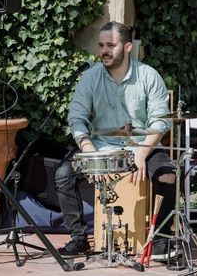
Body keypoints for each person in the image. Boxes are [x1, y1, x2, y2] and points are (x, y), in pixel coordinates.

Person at [54, 21, 177, 261]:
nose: (104, 51)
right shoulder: (90, 78)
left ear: (128, 47)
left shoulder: (149, 76)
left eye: (111, 45)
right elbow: (76, 118)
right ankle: (79, 239)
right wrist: (89, 152)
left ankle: (161, 240)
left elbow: (161, 122)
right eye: (101, 45)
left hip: (143, 146)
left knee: (166, 175)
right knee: (63, 174)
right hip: (100, 149)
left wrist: (141, 153)